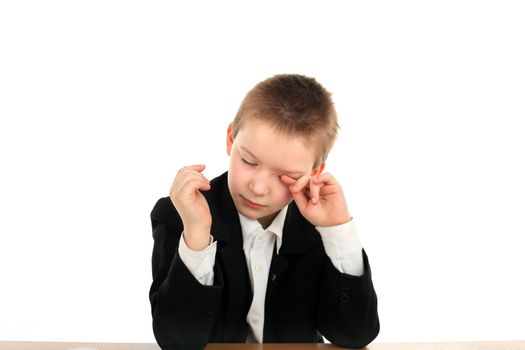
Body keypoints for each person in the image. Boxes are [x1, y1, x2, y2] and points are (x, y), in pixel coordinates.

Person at [149, 74, 380, 350]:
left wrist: (337, 232)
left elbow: (354, 335)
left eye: (285, 175)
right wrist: (197, 238)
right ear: (231, 138)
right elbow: (176, 342)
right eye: (248, 161)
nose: (258, 187)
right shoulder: (179, 213)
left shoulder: (318, 228)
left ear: (314, 172)